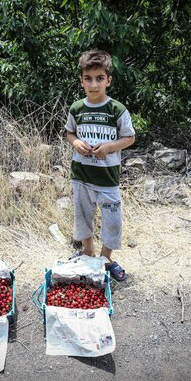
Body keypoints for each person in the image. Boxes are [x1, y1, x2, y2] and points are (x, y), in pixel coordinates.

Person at [65, 49, 135, 282]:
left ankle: (106, 259)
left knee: (112, 221)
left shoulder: (116, 109)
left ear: (108, 80)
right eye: (88, 79)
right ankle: (88, 252)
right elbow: (69, 132)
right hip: (82, 175)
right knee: (83, 216)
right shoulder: (77, 108)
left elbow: (130, 138)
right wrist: (76, 143)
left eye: (99, 78)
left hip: (107, 178)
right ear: (82, 81)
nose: (94, 84)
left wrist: (110, 147)